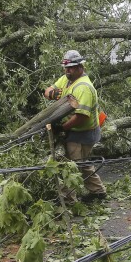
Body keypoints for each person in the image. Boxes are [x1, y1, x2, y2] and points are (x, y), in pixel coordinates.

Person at [43, 50, 107, 203]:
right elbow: (48, 90)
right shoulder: (67, 79)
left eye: (71, 68)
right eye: (66, 68)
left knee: (70, 165)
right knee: (83, 163)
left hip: (83, 132)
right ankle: (98, 191)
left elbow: (81, 117)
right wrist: (51, 93)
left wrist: (63, 128)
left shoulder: (83, 87)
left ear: (80, 67)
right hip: (74, 129)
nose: (67, 71)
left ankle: (68, 199)